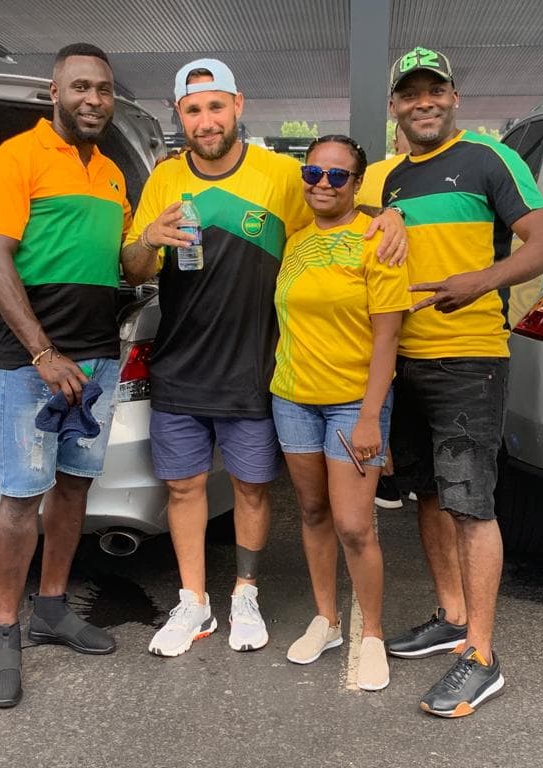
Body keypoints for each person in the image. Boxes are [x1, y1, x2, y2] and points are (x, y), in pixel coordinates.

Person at [120, 58, 406, 658]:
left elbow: (337, 206)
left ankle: (244, 592)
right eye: (193, 109)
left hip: (256, 367)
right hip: (180, 364)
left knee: (252, 491)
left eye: (216, 106)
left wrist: (390, 213)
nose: (206, 119)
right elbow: (133, 268)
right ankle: (193, 600)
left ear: (238, 106)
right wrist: (148, 240)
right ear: (180, 115)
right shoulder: (165, 179)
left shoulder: (283, 174)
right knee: (184, 487)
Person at [356, 46, 543, 717]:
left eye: (435, 91)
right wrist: (377, 216)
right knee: (426, 493)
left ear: (453, 98)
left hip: (470, 356)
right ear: (394, 106)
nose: (424, 102)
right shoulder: (387, 178)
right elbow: (334, 209)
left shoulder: (487, 158)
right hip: (404, 357)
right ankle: (449, 615)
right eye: (411, 93)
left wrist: (481, 281)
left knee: (471, 502)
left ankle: (480, 653)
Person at [0, 42, 132, 709]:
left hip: (98, 359)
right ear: (54, 92)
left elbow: (124, 263)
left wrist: (154, 240)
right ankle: (6, 632)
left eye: (103, 88)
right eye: (80, 87)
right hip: (34, 364)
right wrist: (42, 351)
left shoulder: (116, 173)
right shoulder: (14, 158)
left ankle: (53, 607)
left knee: (73, 488)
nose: (93, 98)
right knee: (21, 497)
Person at [272, 135, 409, 691]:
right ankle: (327, 619)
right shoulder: (294, 238)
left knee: (354, 524)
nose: (322, 184)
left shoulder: (378, 240)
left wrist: (373, 416)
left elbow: (388, 339)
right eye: (313, 173)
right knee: (311, 512)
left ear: (357, 184)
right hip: (292, 396)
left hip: (355, 401)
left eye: (337, 176)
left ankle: (370, 632)